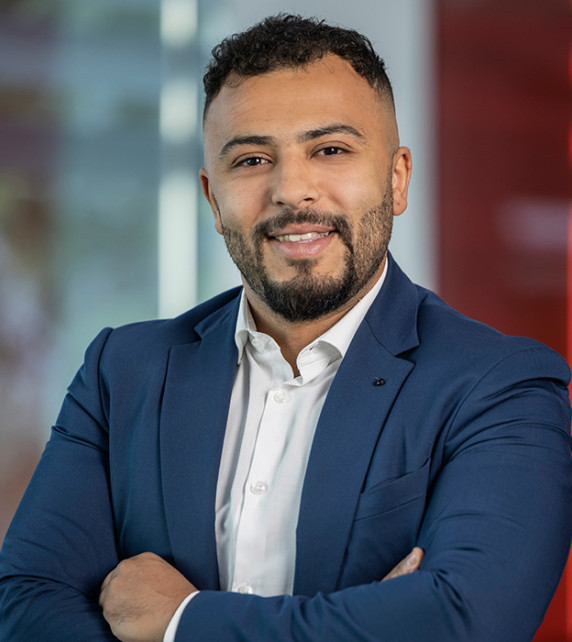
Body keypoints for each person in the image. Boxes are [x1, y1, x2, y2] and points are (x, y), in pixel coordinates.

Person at [1, 13, 571, 642]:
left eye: (330, 150)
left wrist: (180, 620)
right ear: (213, 199)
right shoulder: (122, 371)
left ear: (397, 178)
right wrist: (364, 620)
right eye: (252, 159)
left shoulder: (501, 387)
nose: (291, 189)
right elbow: (25, 606)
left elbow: (463, 621)